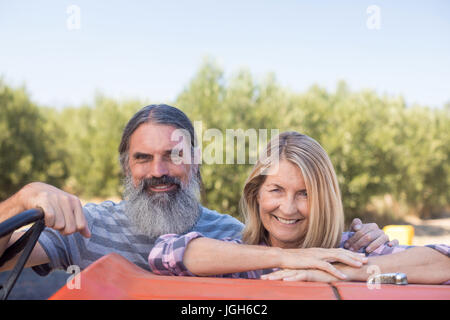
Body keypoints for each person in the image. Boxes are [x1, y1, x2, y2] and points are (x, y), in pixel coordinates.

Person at [0, 105, 392, 275]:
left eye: (173, 155)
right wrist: (22, 198)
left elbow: (293, 255)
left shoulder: (234, 236)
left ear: (196, 162)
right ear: (126, 167)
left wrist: (361, 243)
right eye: (142, 158)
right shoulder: (85, 228)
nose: (158, 171)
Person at [148, 131, 450, 284]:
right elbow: (165, 254)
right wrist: (287, 257)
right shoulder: (240, 260)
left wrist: (334, 273)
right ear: (256, 195)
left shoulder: (353, 250)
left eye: (305, 194)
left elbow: (444, 263)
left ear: (325, 199)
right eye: (276, 190)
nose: (288, 208)